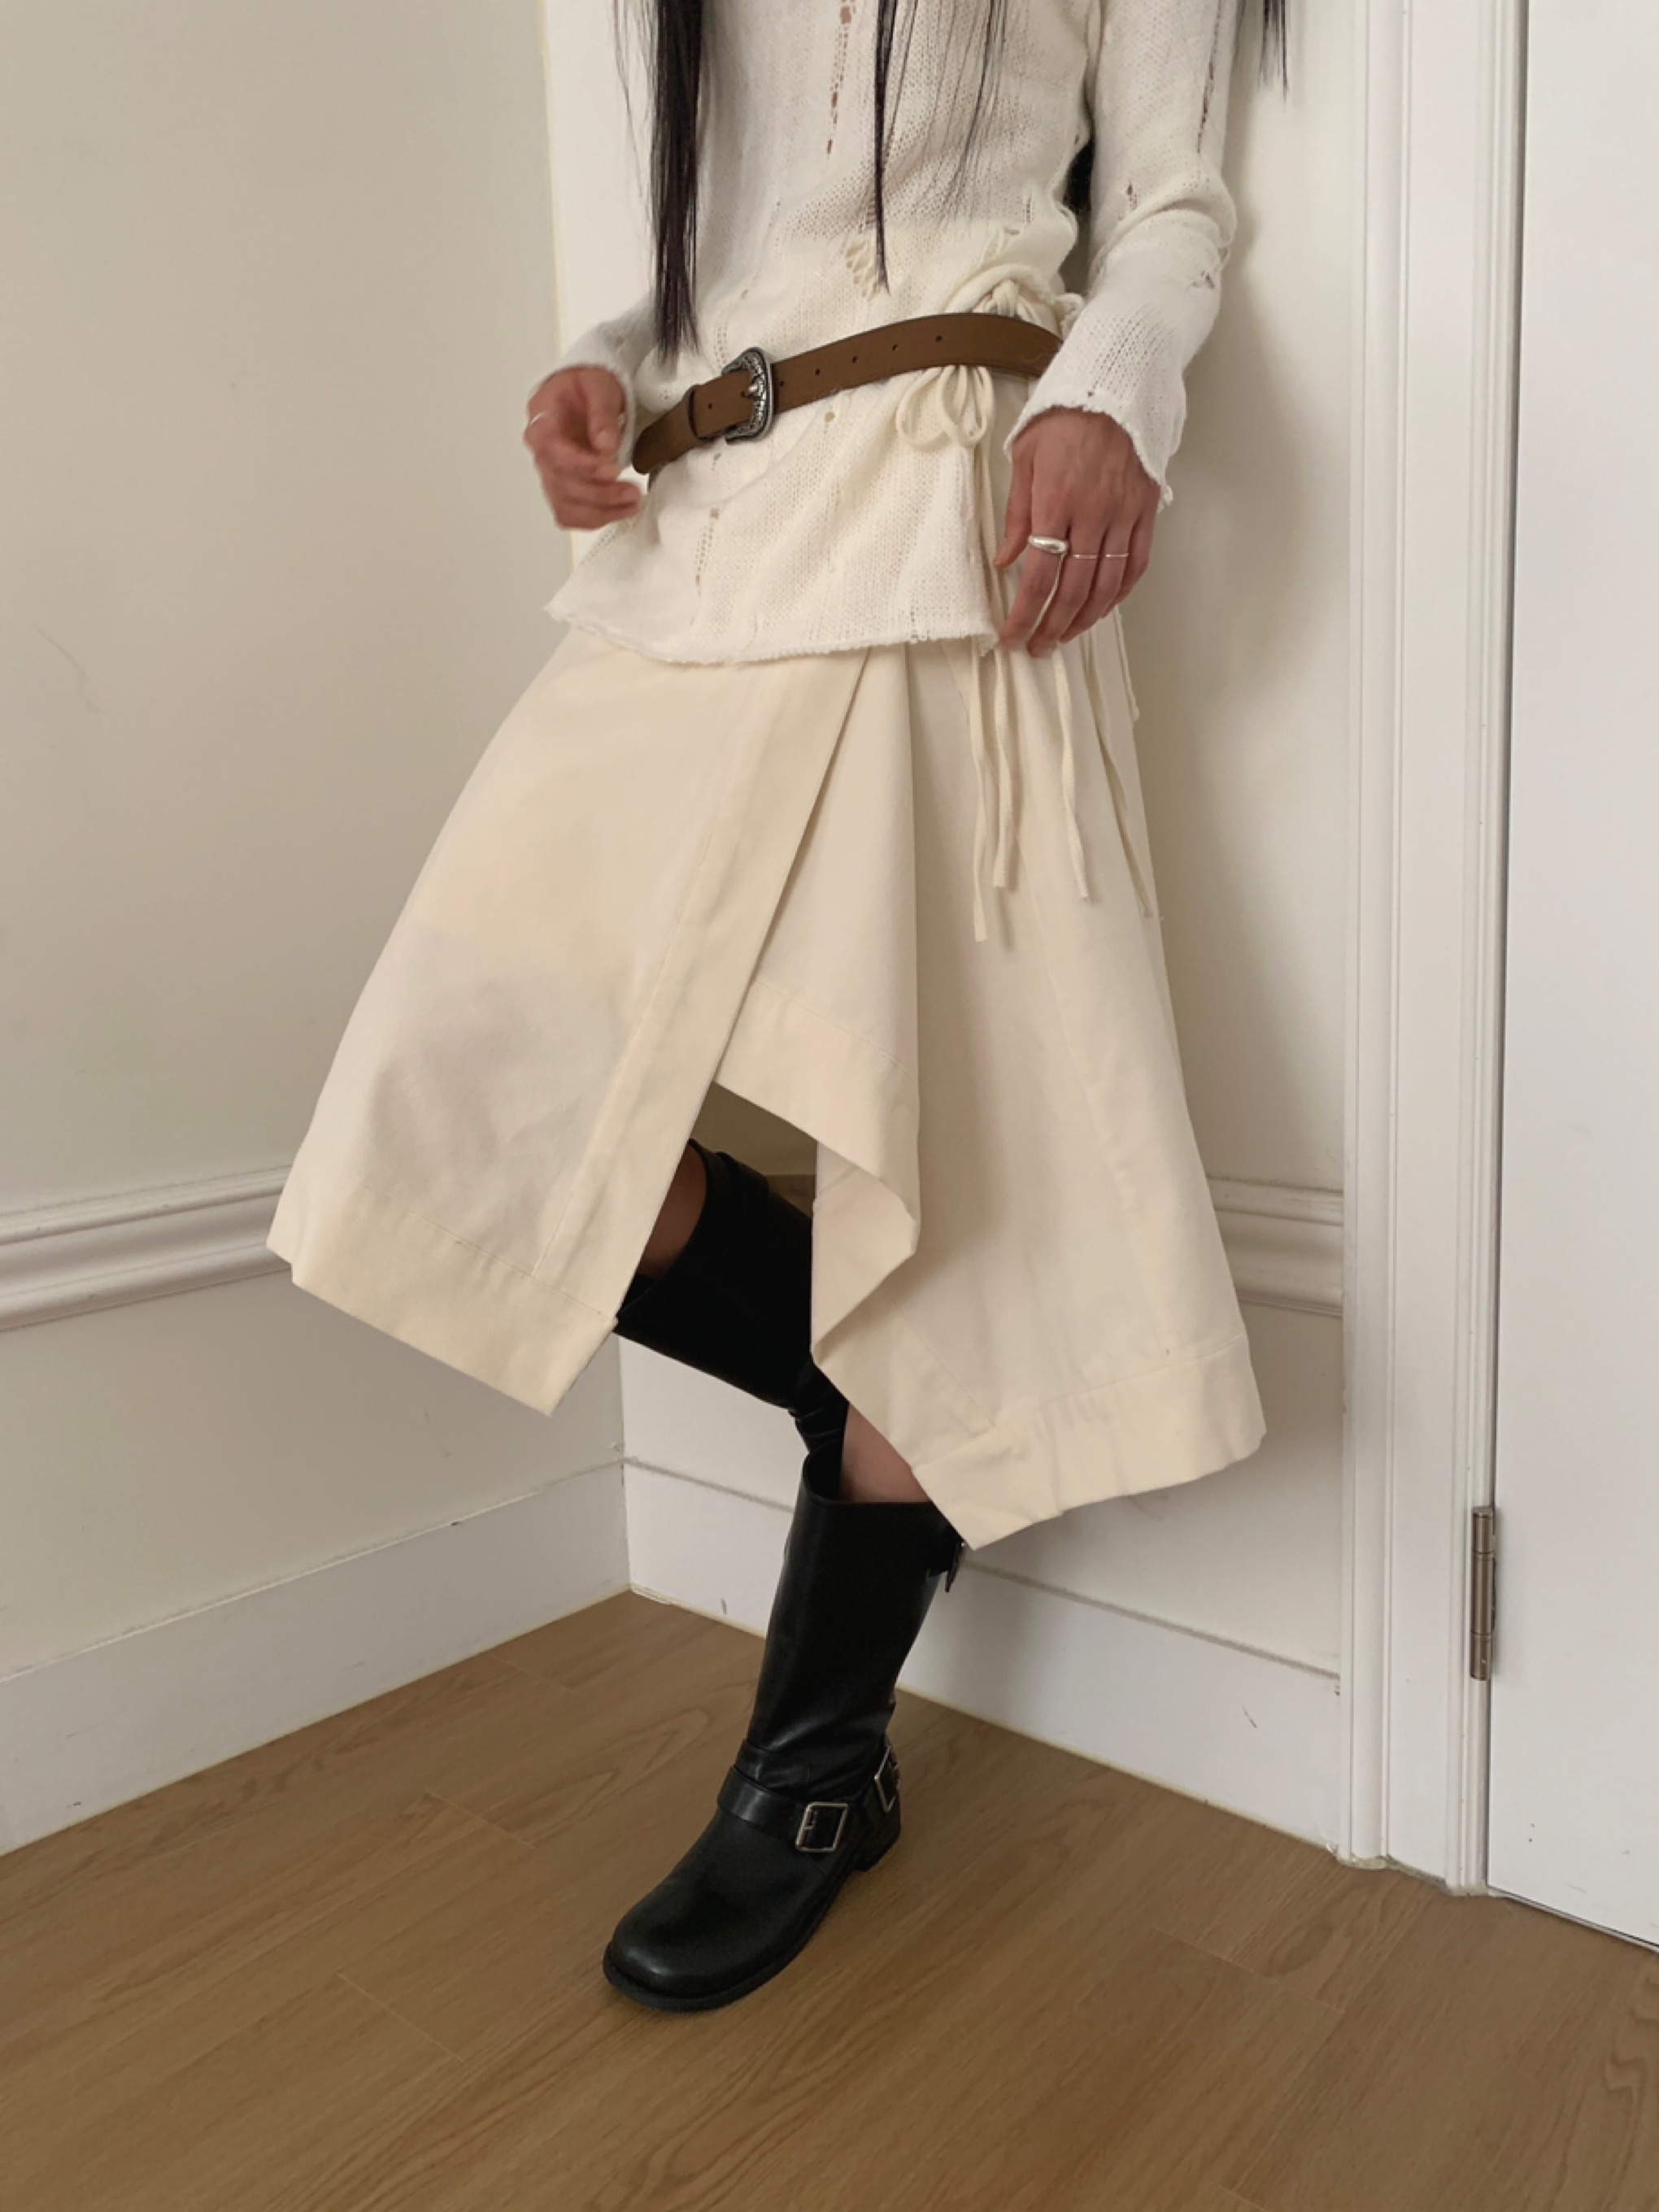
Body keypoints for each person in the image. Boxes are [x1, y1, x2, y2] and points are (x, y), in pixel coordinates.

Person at [268, 0, 1286, 2014]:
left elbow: (1174, 199)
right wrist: (601, 359)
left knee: (950, 1173)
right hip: (699, 539)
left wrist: (1114, 393)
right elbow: (725, 244)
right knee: (484, 1080)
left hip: (945, 516)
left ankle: (815, 1774)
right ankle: (860, 1387)